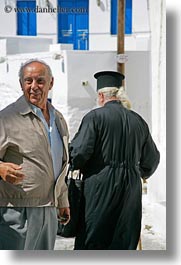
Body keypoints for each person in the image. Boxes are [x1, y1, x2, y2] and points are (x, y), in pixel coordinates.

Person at [69, 71, 160, 250]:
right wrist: (137, 172)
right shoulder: (138, 120)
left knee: (93, 237)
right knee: (124, 239)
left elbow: (79, 153)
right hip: (131, 188)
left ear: (101, 95)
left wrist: (74, 162)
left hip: (99, 185)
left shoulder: (94, 117)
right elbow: (152, 158)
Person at [0, 59, 70, 250]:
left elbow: (60, 163)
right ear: (21, 84)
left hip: (48, 209)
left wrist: (62, 201)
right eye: (28, 81)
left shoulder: (58, 119)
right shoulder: (7, 118)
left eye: (40, 81)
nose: (34, 87)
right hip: (16, 211)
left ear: (51, 83)